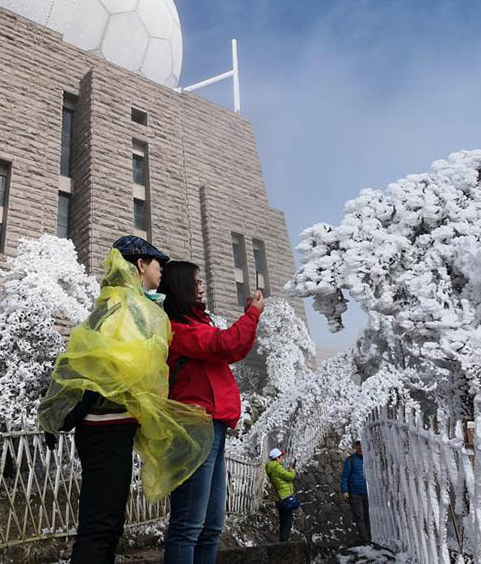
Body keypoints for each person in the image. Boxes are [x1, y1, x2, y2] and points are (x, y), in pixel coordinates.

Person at [38, 236, 213, 564]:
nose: (162, 270)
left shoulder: (125, 301)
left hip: (111, 425)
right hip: (104, 426)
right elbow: (107, 364)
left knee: (106, 525)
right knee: (101, 527)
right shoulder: (125, 305)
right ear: (140, 264)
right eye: (157, 263)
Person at [159, 260, 265, 563]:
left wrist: (250, 317)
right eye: (196, 282)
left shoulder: (198, 324)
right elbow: (225, 344)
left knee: (211, 526)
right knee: (188, 525)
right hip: (195, 426)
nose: (202, 287)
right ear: (181, 288)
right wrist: (253, 313)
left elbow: (233, 347)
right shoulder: (178, 329)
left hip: (214, 425)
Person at [341, 439, 371, 544]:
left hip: (368, 493)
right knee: (360, 517)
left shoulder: (370, 460)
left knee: (368, 517)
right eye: (358, 446)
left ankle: (369, 539)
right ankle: (365, 540)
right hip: (355, 493)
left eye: (362, 446)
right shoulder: (351, 460)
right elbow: (345, 476)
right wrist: (345, 491)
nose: (360, 448)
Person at [265, 448, 297, 542]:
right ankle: (284, 542)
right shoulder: (277, 467)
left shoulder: (272, 467)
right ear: (277, 458)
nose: (282, 458)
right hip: (284, 496)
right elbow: (290, 477)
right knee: (287, 521)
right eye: (281, 456)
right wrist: (292, 470)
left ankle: (283, 541)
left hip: (280, 498)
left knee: (283, 519)